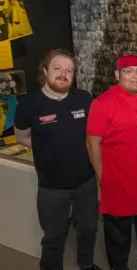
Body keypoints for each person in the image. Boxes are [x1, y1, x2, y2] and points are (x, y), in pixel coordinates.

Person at [14, 49, 101, 270]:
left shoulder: (84, 99)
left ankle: (87, 265)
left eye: (69, 70)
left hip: (86, 183)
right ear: (45, 71)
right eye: (57, 68)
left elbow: (94, 135)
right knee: (53, 237)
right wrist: (46, 148)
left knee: (88, 229)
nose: (63, 74)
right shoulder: (28, 104)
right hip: (52, 188)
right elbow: (22, 137)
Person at [86, 55, 137, 270]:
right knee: (117, 228)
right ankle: (118, 265)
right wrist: (102, 176)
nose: (135, 75)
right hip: (119, 178)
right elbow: (92, 144)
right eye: (128, 71)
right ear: (117, 75)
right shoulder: (102, 103)